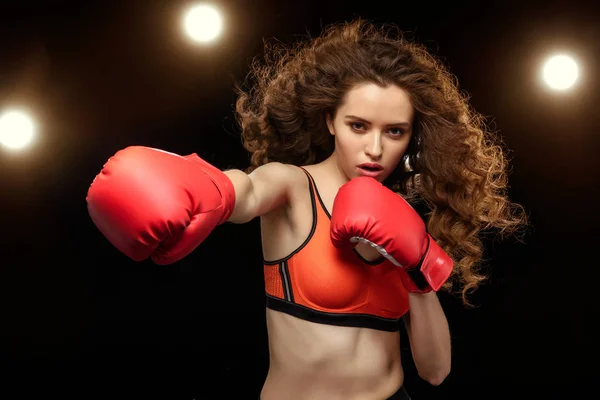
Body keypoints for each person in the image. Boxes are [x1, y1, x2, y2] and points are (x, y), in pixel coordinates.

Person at [86, 19, 527, 399]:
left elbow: (435, 371)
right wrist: (214, 189)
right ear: (330, 120)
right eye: (358, 125)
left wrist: (418, 270)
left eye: (395, 131)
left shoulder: (403, 218)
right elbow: (249, 191)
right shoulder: (294, 186)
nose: (375, 148)